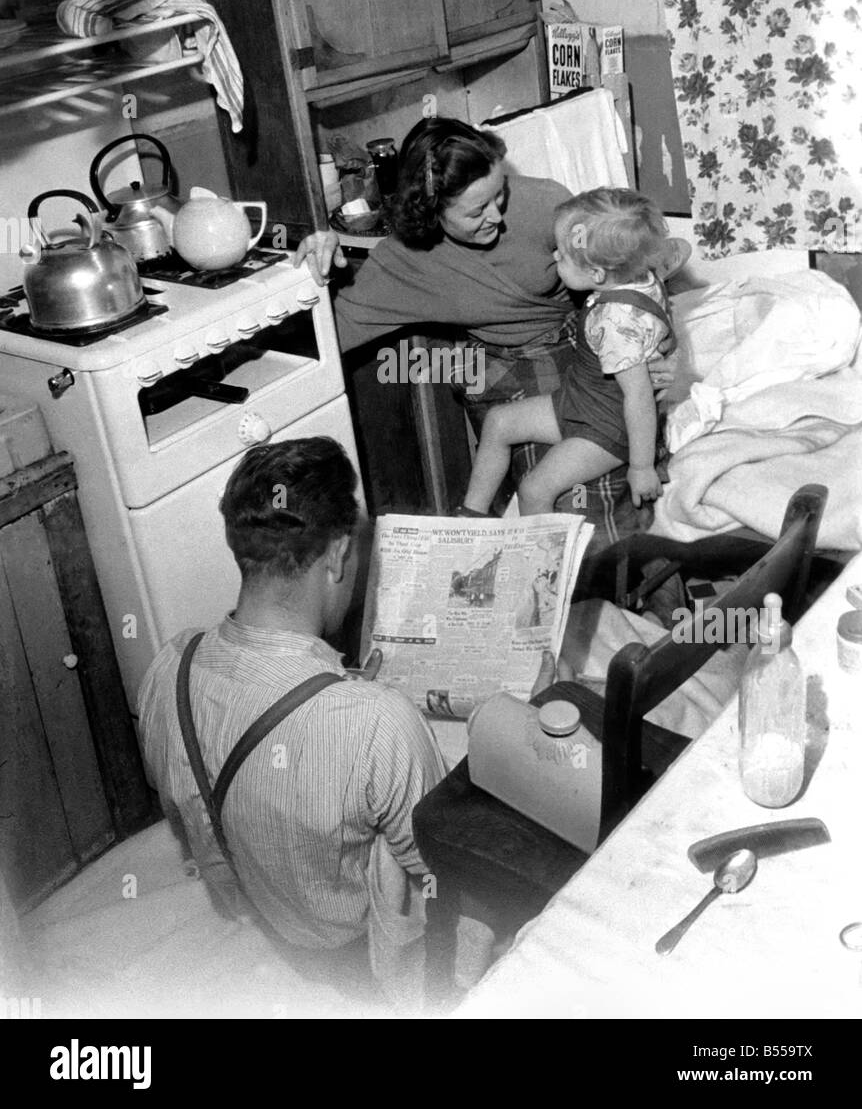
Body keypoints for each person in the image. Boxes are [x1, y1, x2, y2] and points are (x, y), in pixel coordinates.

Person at [137, 437, 445, 954]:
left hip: (256, 915)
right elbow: (441, 869)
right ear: (339, 555)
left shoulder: (167, 669)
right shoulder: (378, 723)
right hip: (349, 950)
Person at [295, 117, 684, 523]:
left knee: (587, 503)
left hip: (584, 351)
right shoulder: (400, 264)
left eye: (499, 194)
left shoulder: (546, 203)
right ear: (430, 212)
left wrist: (661, 344)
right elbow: (324, 338)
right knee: (548, 489)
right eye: (478, 209)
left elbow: (632, 264)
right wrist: (311, 274)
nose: (497, 216)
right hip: (501, 365)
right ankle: (472, 523)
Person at [461, 187, 675, 517]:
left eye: (562, 253)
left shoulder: (616, 324)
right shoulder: (640, 276)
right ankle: (471, 516)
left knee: (535, 489)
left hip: (608, 428)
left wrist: (642, 466)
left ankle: (543, 564)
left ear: (598, 274)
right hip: (581, 398)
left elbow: (639, 398)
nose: (555, 256)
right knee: (499, 421)